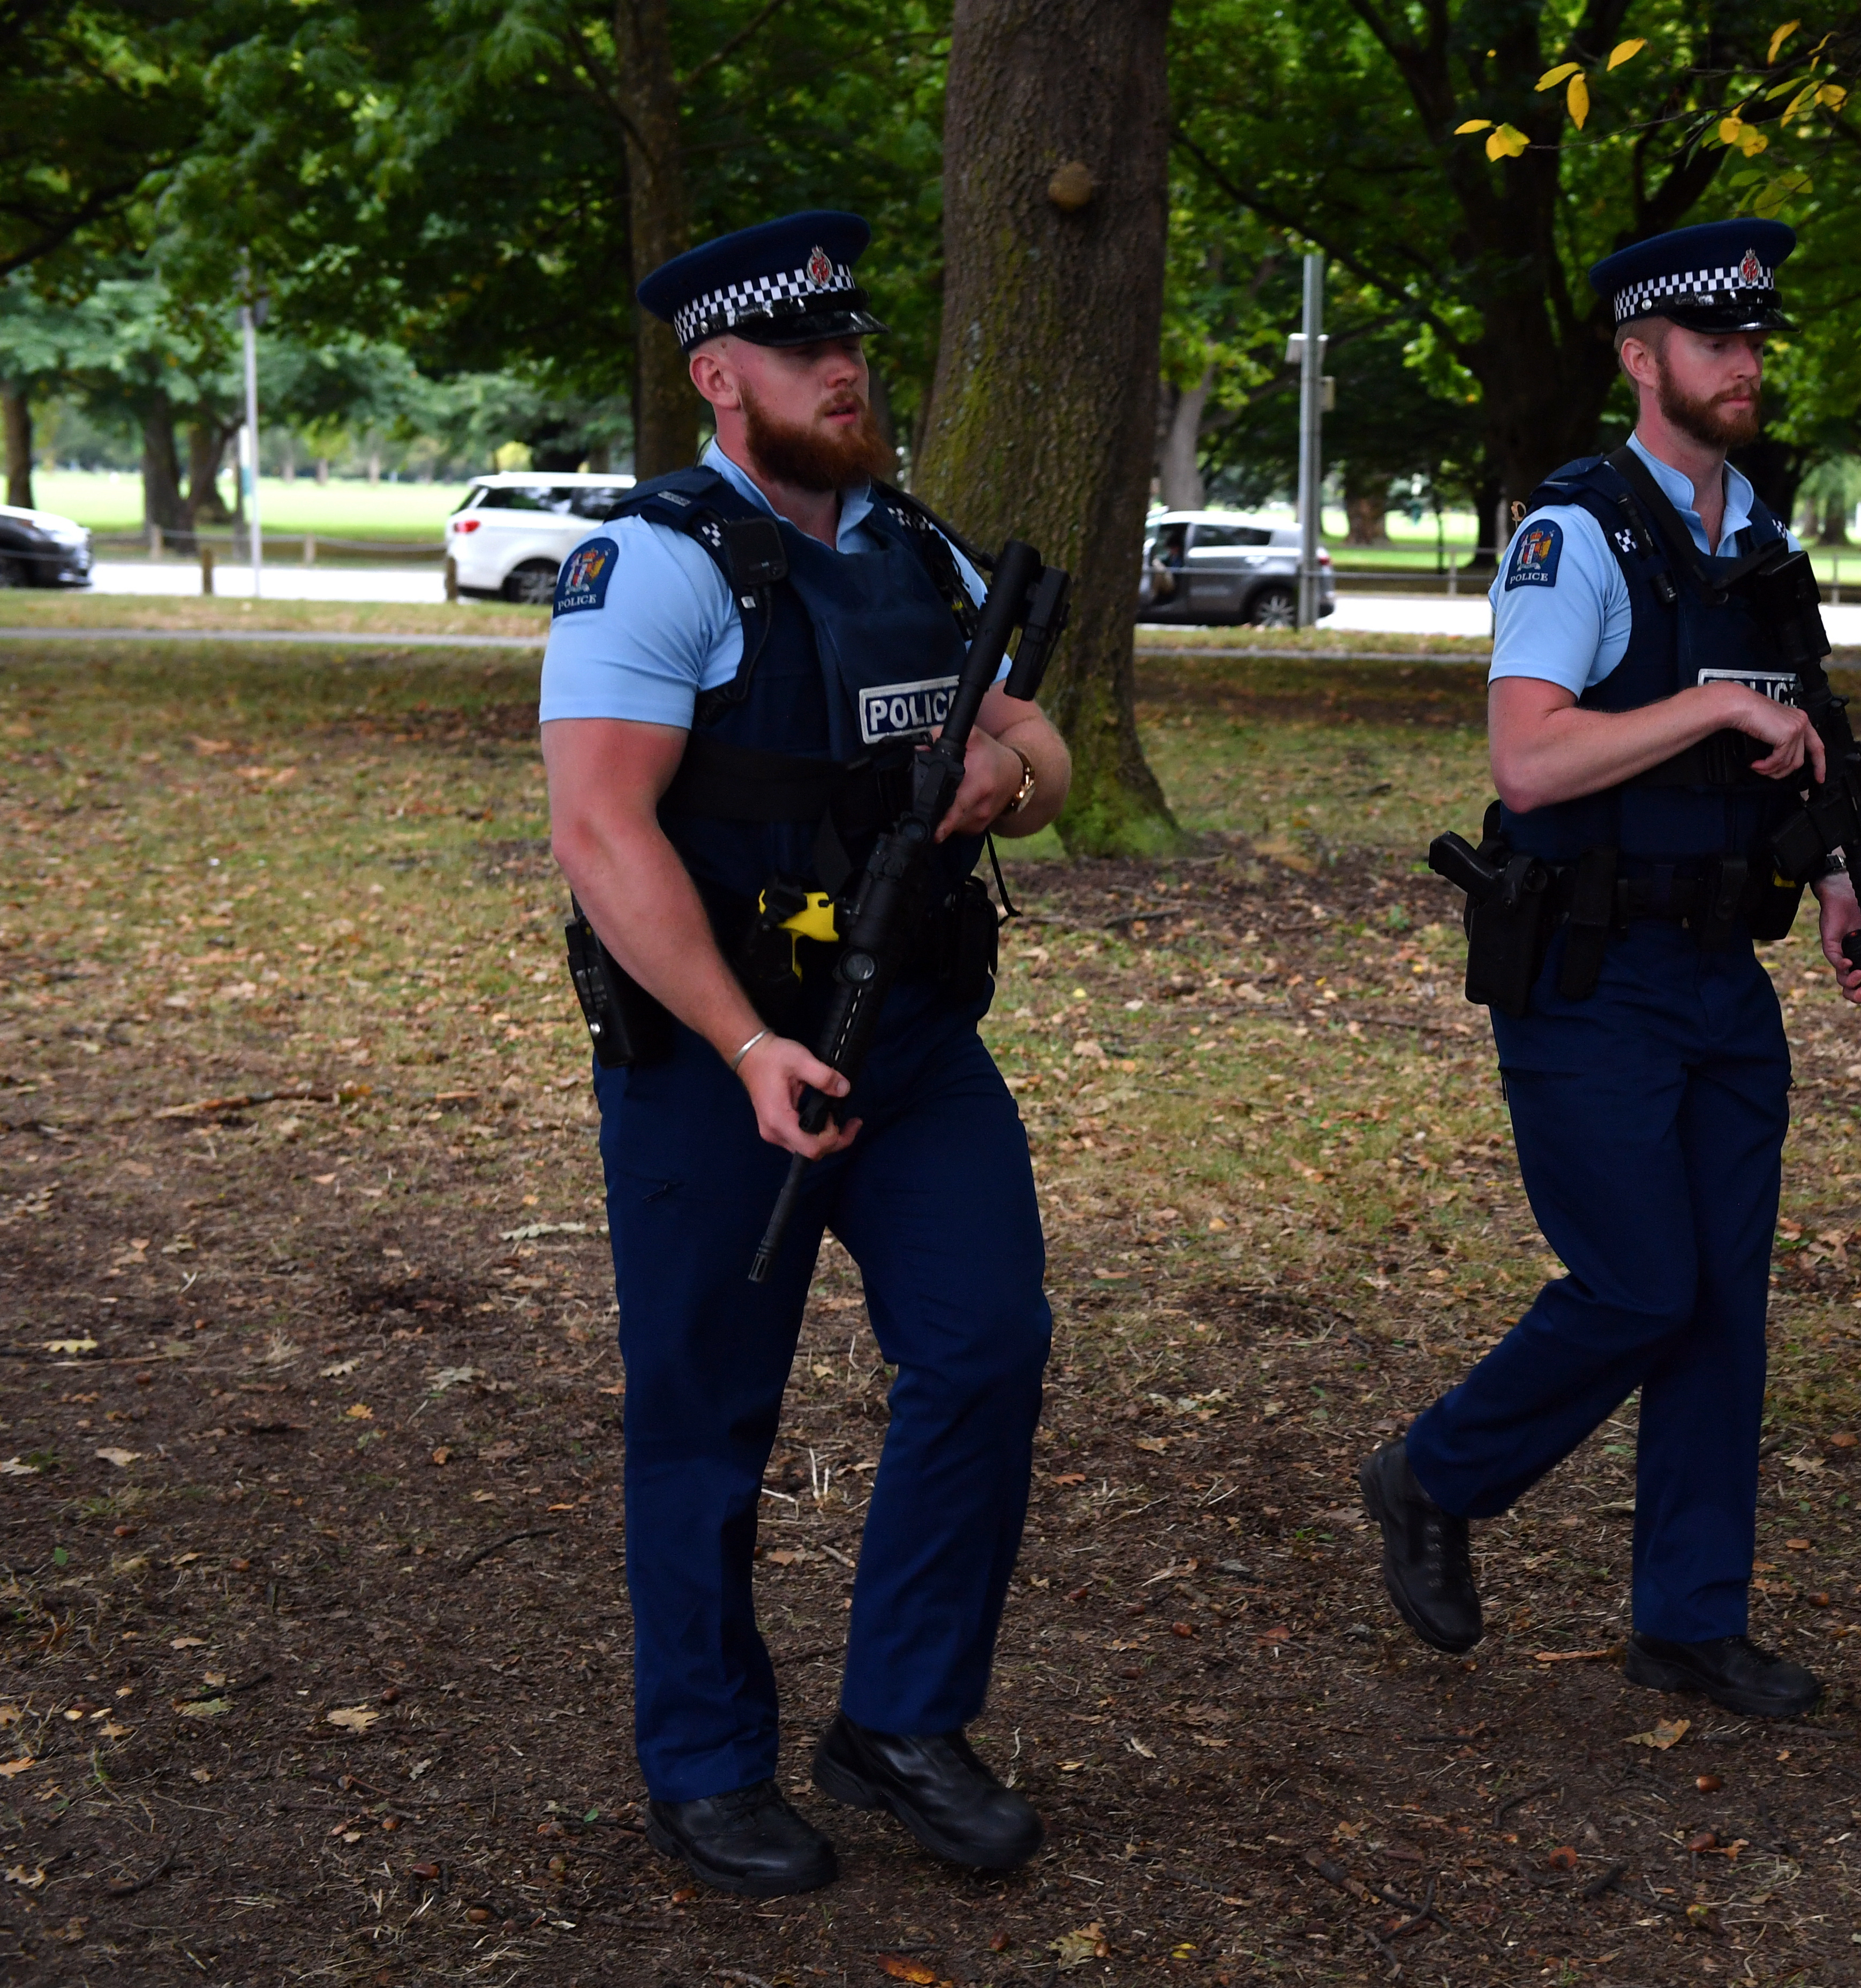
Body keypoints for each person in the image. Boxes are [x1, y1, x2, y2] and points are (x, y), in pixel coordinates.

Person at [539, 210, 1071, 1899]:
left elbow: (1037, 740)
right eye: (805, 353)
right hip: (719, 1058)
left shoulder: (918, 554)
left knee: (986, 1348)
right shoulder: (661, 564)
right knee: (707, 1410)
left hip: (910, 1039)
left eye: (854, 345)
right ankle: (703, 1762)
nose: (846, 372)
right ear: (720, 378)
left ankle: (902, 1719)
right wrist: (747, 1037)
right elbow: (600, 828)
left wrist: (1004, 779)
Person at [1362, 219, 1861, 1720]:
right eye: (1714, 340)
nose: (1746, 362)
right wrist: (1711, 710)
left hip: (1723, 972)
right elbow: (1529, 758)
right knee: (1639, 1284)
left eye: (1755, 339)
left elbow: (1810, 733)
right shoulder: (1577, 532)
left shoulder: (1762, 539)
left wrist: (1855, 877)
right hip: (1589, 974)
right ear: (1639, 355)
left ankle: (1689, 1617)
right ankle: (1433, 1473)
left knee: (1722, 1304)